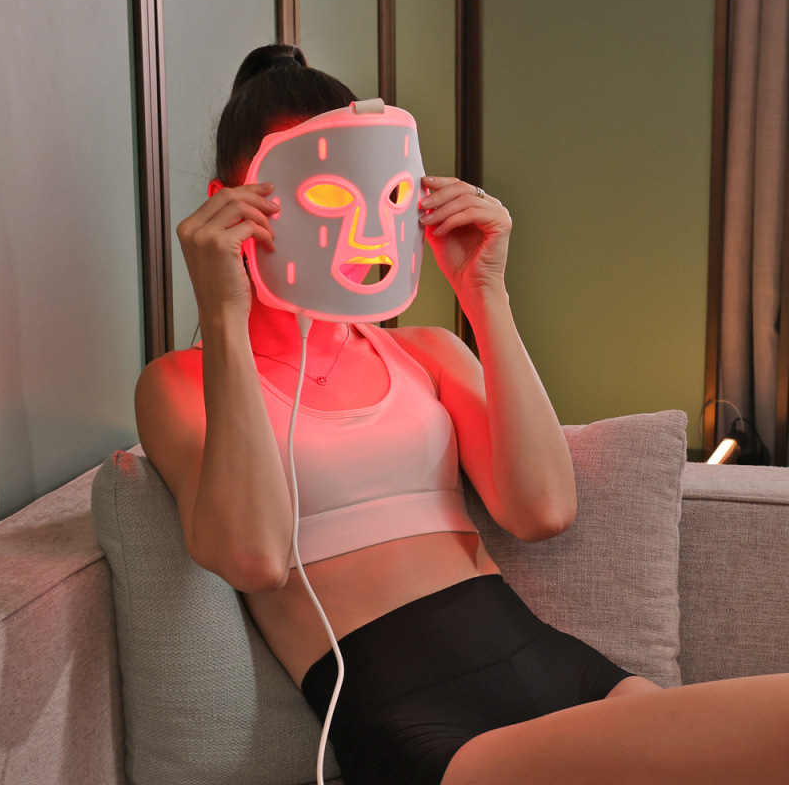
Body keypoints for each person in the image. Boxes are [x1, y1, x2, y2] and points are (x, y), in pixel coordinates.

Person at [135, 44, 789, 785]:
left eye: (373, 190)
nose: (352, 221)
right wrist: (224, 313)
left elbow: (543, 509)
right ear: (228, 202)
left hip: (561, 671)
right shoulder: (180, 384)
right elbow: (254, 558)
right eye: (321, 195)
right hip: (417, 721)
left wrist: (485, 293)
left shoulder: (425, 352)